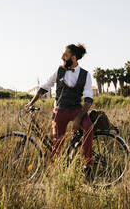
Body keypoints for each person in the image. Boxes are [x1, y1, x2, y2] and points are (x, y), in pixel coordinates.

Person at [25, 44, 94, 177]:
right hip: (61, 109)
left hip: (76, 110)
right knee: (58, 141)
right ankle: (55, 172)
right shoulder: (59, 71)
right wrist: (31, 102)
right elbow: (44, 87)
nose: (62, 57)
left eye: (66, 55)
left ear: (73, 58)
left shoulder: (86, 75)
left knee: (88, 127)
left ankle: (87, 165)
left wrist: (79, 118)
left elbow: (88, 99)